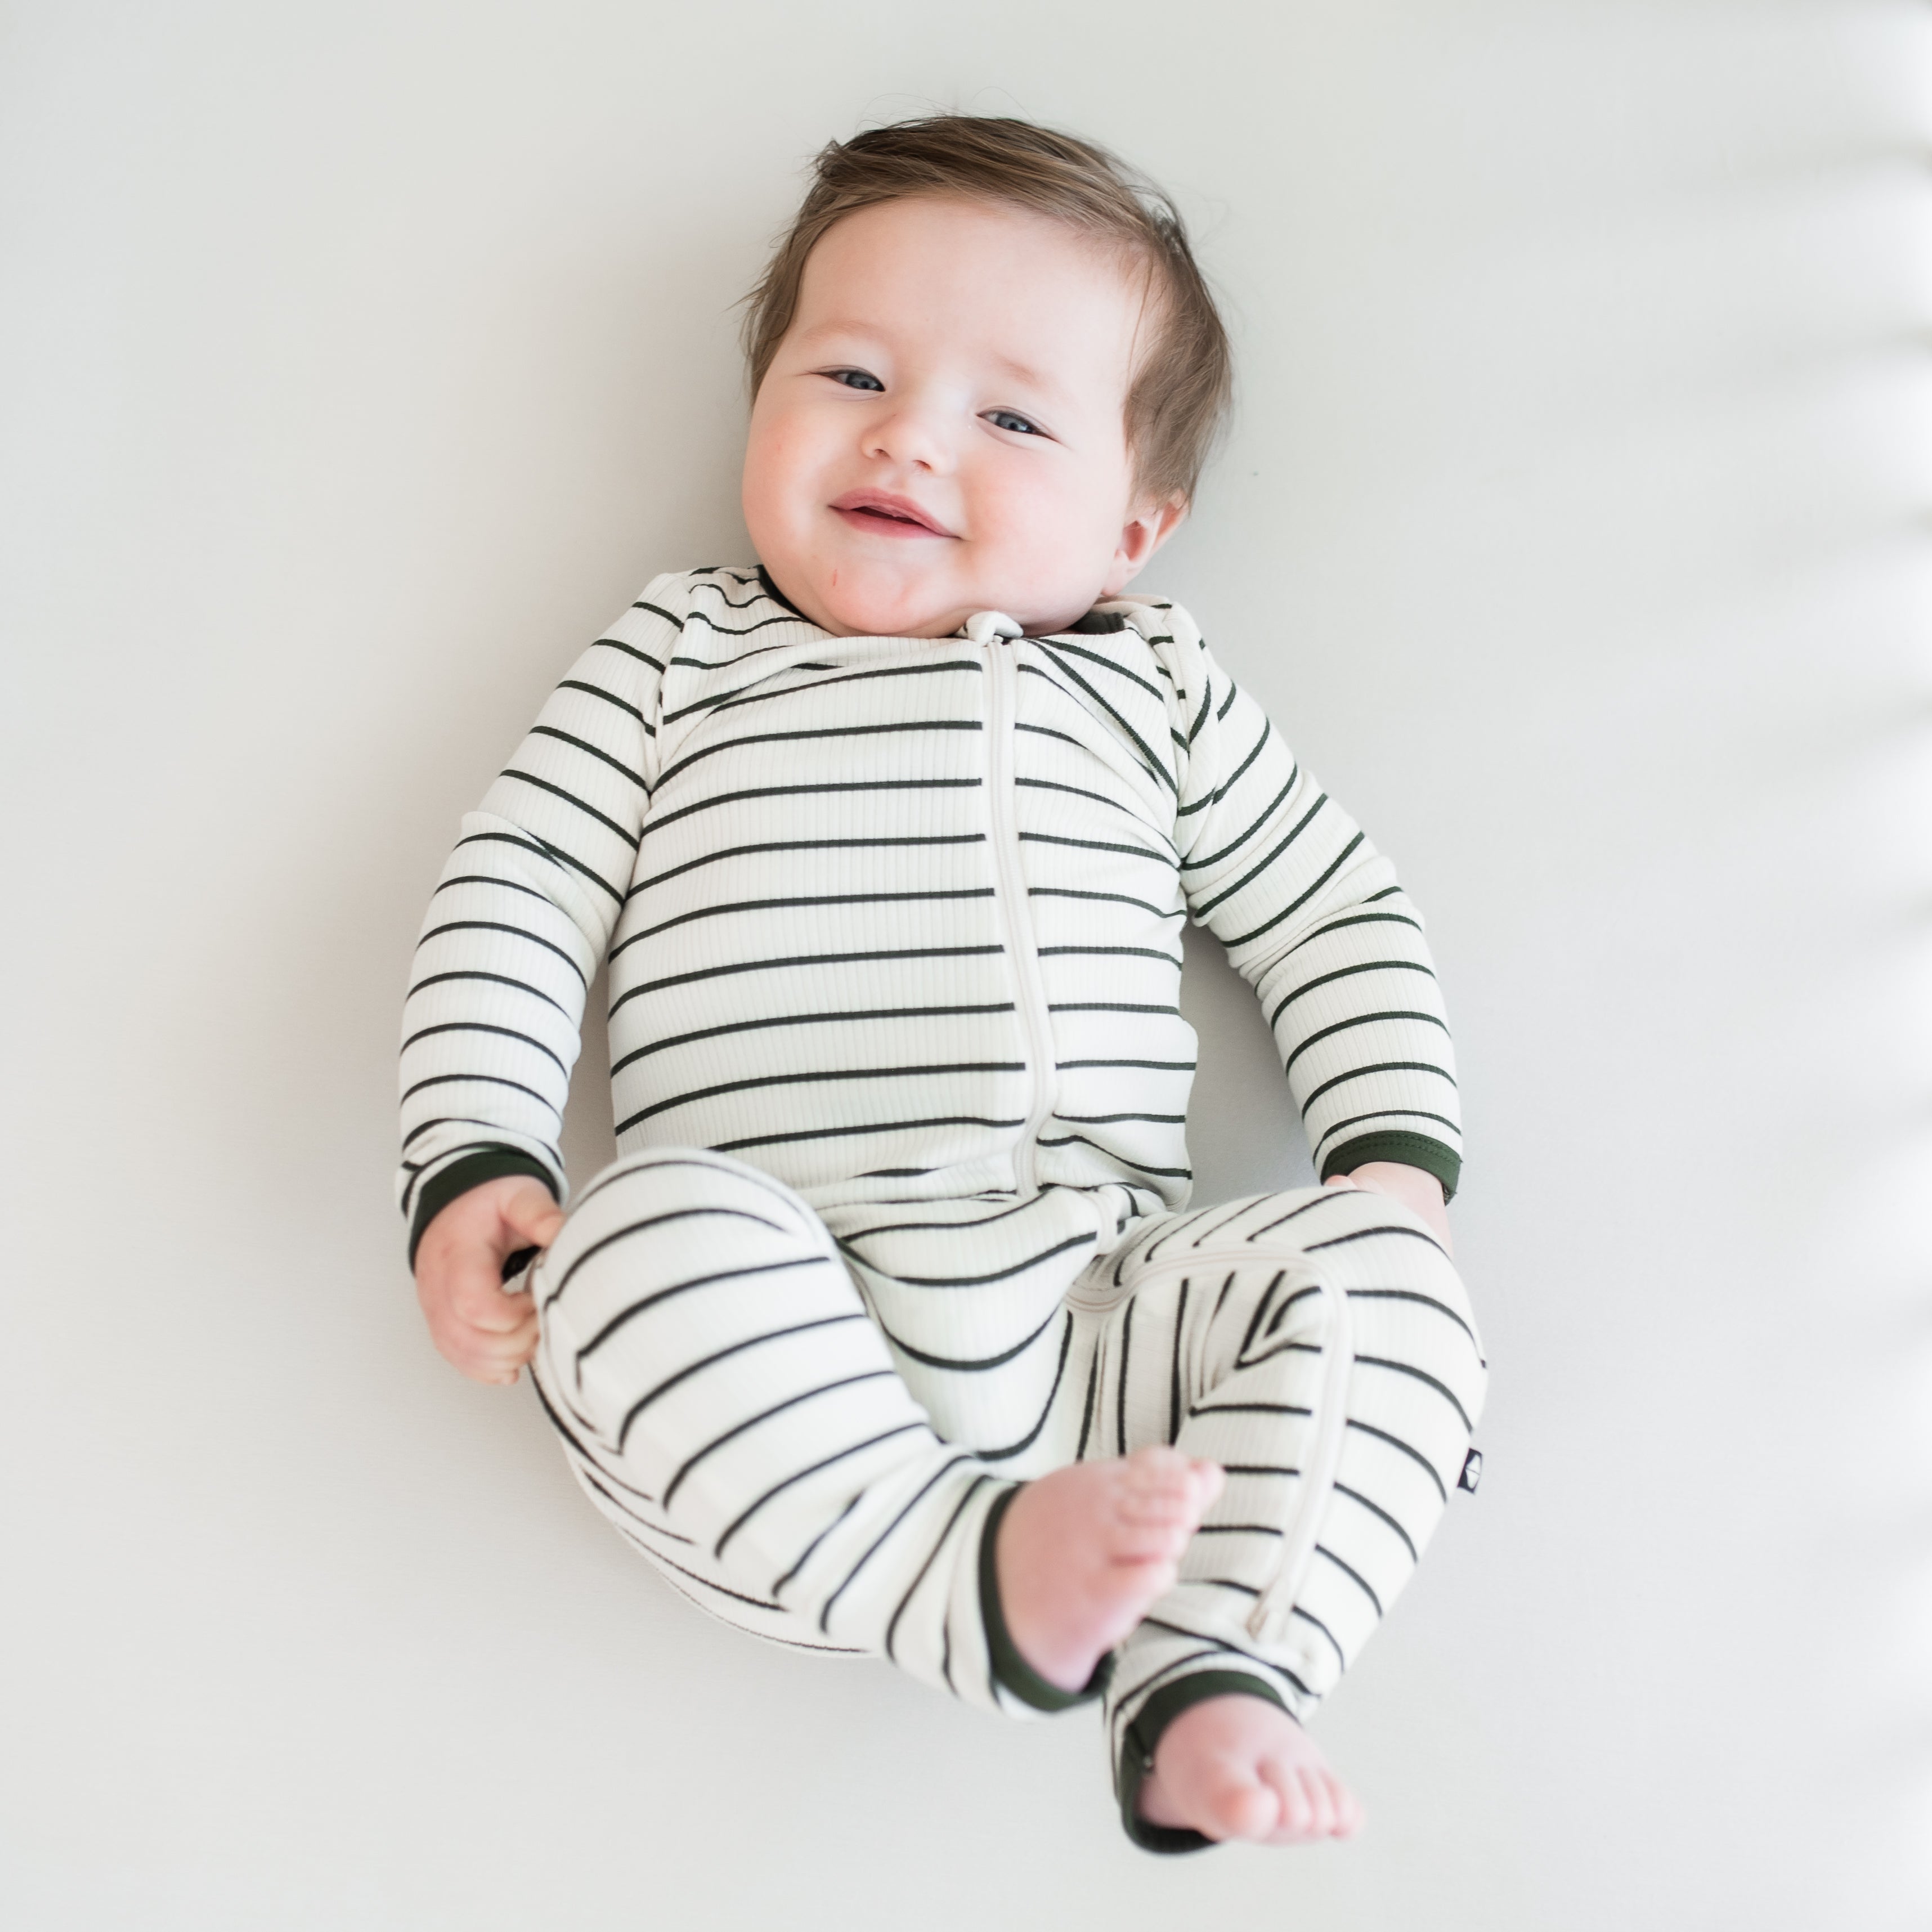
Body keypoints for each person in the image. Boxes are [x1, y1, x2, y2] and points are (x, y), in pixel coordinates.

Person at [399, 114, 1485, 1854]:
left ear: (1135, 525)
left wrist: (1391, 1157)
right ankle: (958, 1585)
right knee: (627, 1238)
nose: (906, 434)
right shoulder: (677, 655)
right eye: (848, 372)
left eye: (1009, 414)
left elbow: (1330, 911)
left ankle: (1209, 1672)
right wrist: (473, 1153)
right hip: (786, 1333)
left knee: (1389, 1285)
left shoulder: (1156, 694)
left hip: (1112, 1323)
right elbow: (516, 890)